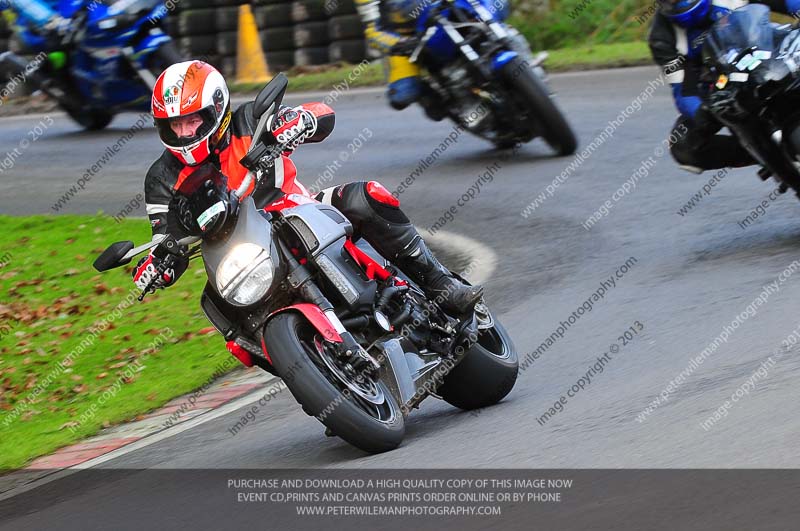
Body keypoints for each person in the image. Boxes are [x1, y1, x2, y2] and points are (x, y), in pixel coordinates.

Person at [133, 60, 483, 322]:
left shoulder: (249, 121)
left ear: (218, 110)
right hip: (236, 255)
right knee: (222, 311)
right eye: (174, 125)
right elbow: (166, 237)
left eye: (192, 121)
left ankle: (439, 284)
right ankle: (328, 386)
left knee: (366, 197)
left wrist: (302, 121)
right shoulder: (161, 178)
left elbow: (321, 112)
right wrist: (155, 266)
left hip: (295, 210)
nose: (184, 133)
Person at [649, 0, 800, 173]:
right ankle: (765, 155)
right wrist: (704, 111)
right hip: (725, 90)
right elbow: (684, 90)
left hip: (778, 58)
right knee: (684, 145)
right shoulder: (662, 38)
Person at [354, 0, 511, 111]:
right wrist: (398, 44)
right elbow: (373, 31)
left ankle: (518, 53)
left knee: (498, 6)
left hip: (446, 9)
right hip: (409, 37)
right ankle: (446, 100)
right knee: (404, 94)